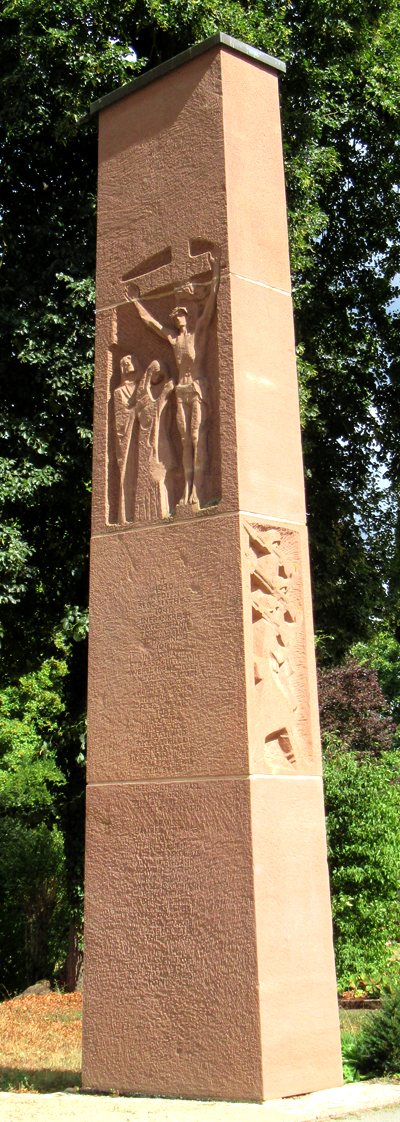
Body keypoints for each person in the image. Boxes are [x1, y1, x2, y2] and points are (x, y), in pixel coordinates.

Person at [125, 249, 220, 507]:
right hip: (181, 391)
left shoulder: (198, 334)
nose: (177, 318)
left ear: (187, 316)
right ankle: (186, 490)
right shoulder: (174, 339)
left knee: (197, 437)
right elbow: (151, 324)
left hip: (197, 389)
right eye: (175, 316)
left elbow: (210, 305)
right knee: (184, 441)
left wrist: (216, 271)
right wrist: (136, 301)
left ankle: (198, 489)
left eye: (180, 314)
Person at [114, 354, 140, 523]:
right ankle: (125, 514)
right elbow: (120, 418)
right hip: (127, 438)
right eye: (124, 364)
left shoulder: (141, 386)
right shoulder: (119, 392)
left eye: (129, 363)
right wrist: (135, 410)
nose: (127, 366)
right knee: (127, 472)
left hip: (141, 436)